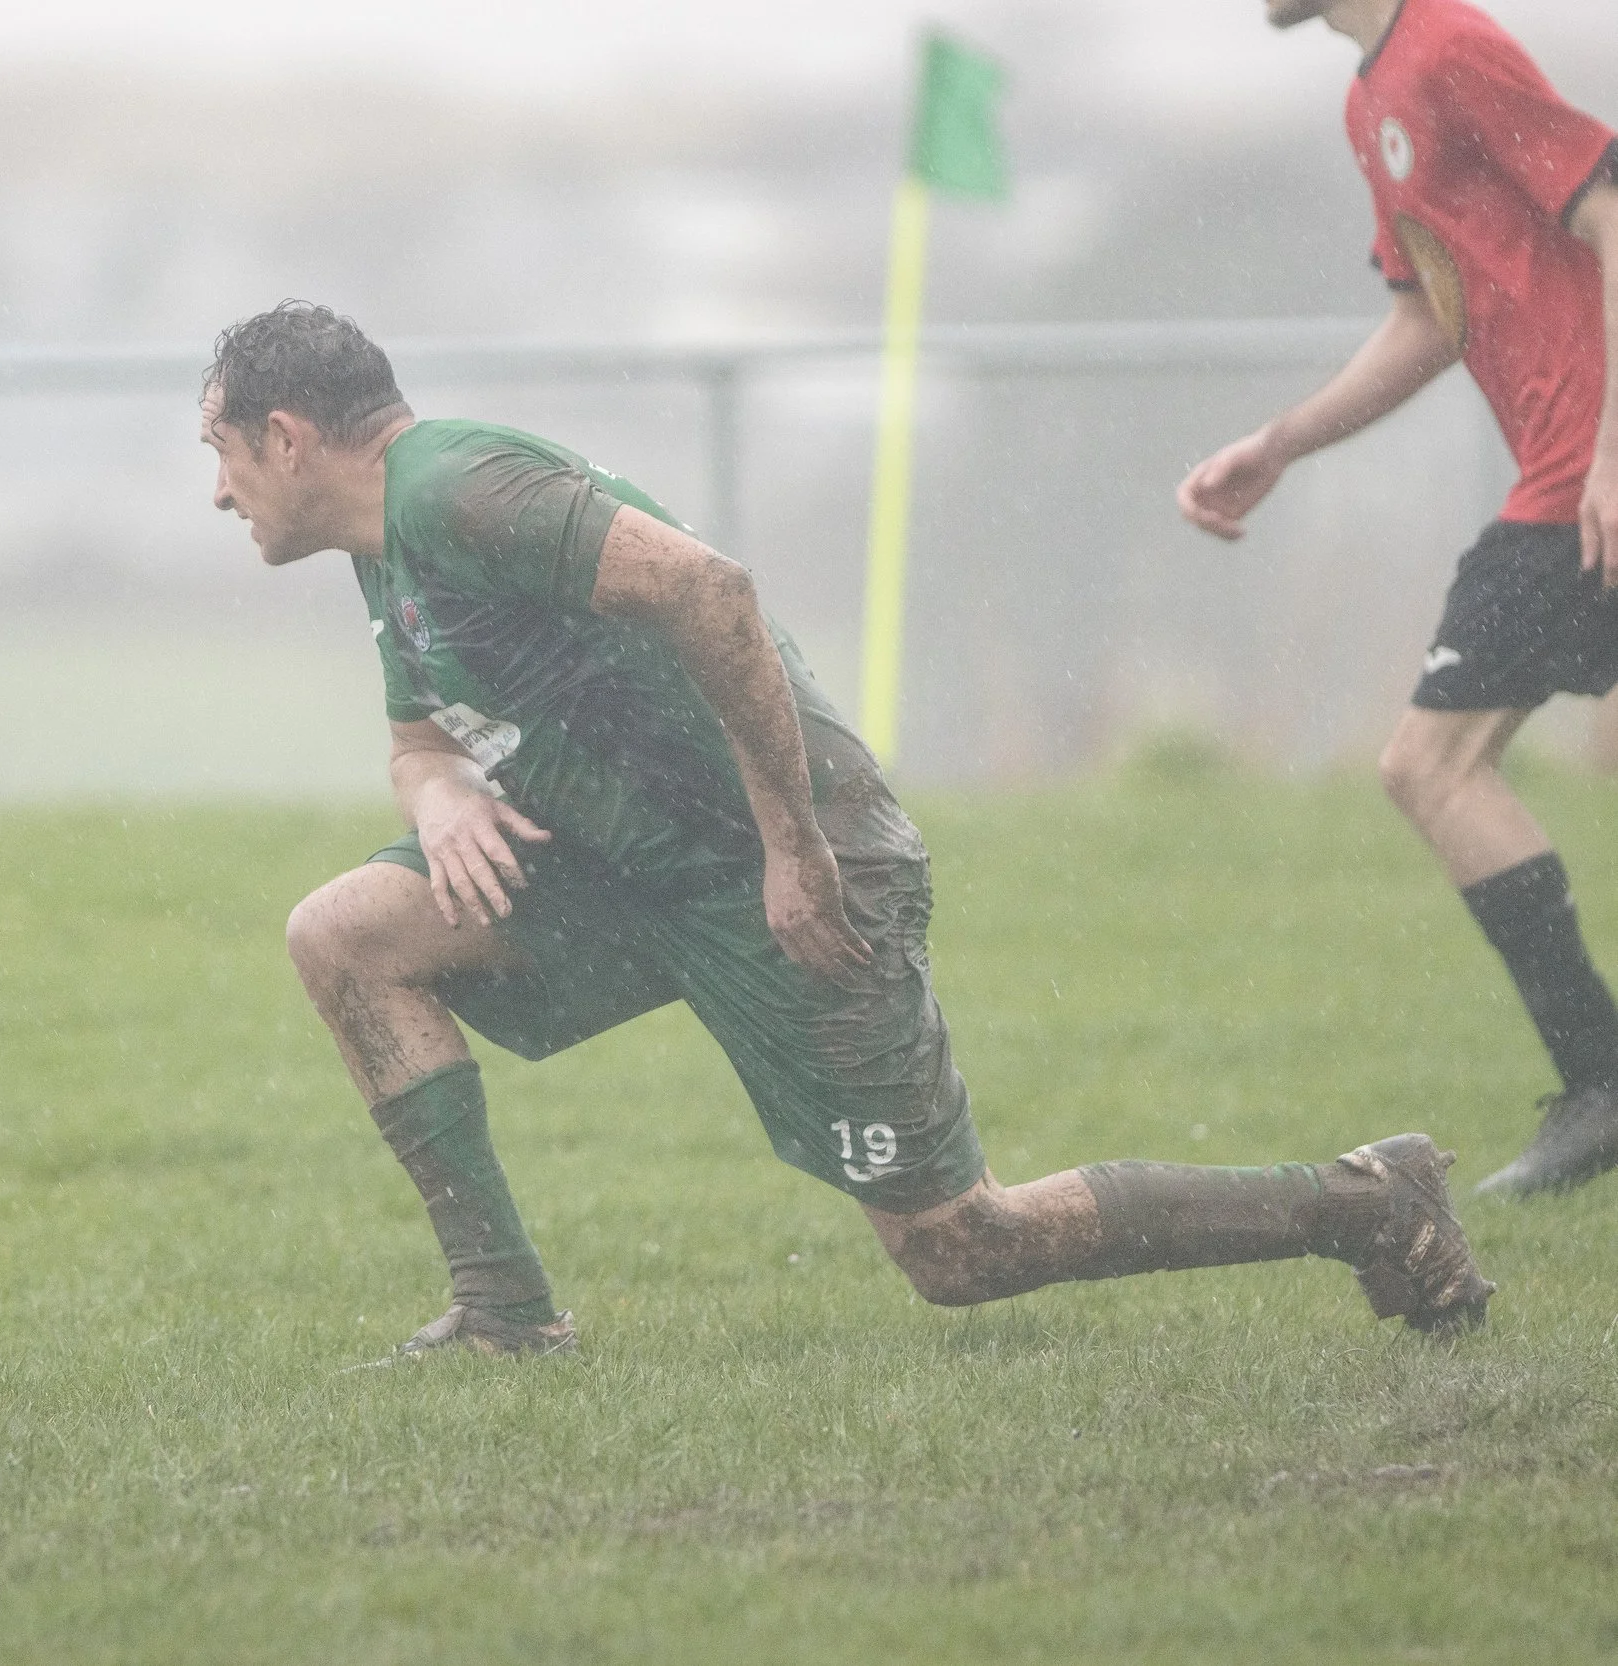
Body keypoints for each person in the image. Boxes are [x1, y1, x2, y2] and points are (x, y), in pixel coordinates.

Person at [201, 300, 1494, 1358]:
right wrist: (437, 793)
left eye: (221, 453)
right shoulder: (390, 543)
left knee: (959, 1247)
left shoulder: (460, 490)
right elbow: (418, 735)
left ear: (290, 435)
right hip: (620, 868)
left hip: (788, 867)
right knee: (346, 936)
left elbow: (711, 591)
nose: (218, 493)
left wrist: (796, 846)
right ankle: (505, 1316)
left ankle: (1370, 1203)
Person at [1181, 0, 1618, 1199]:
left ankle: (1602, 1080)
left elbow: (1612, 206)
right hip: (1568, 478)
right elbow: (1430, 318)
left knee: (1430, 765)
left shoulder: (1450, 48)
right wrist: (1282, 442)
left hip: (1580, 482)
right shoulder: (1369, 99)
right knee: (1432, 767)